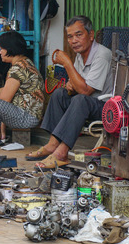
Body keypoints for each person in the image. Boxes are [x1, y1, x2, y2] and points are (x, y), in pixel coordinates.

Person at [27, 15, 113, 169]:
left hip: (106, 108)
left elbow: (85, 91)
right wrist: (70, 86)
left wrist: (67, 63)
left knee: (80, 100)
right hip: (86, 104)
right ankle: (53, 144)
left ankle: (61, 153)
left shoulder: (102, 55)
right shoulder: (80, 57)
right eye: (70, 37)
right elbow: (78, 84)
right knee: (60, 94)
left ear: (91, 35)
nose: (74, 40)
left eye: (79, 35)